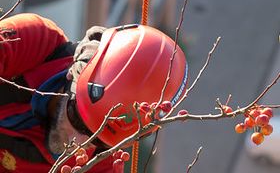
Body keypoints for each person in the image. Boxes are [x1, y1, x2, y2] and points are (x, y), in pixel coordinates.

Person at [0, 13, 188, 172]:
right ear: (72, 76)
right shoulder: (33, 41)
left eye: (98, 140)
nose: (78, 144)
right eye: (78, 120)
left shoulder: (101, 165)